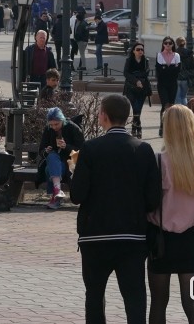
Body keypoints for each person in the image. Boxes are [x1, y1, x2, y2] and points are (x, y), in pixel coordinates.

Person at [70, 94, 161, 324]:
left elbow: (77, 196)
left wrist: (75, 173)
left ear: (103, 116)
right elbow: (153, 200)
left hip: (95, 236)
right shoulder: (143, 149)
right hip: (132, 236)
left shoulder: (90, 149)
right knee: (135, 297)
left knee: (94, 296)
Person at [147, 105, 194, 324]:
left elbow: (148, 203)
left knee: (158, 302)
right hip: (191, 239)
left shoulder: (159, 161)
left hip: (160, 240)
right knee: (192, 303)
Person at [36, 106, 85, 209]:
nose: (54, 127)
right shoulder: (48, 129)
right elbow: (41, 150)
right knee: (52, 156)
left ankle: (56, 196)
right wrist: (46, 150)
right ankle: (57, 190)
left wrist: (66, 146)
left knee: (49, 169)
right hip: (54, 162)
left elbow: (81, 150)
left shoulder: (73, 128)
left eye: (56, 124)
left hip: (69, 163)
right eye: (51, 124)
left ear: (62, 120)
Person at [122, 42, 152, 138]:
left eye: (142, 50)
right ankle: (138, 128)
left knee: (138, 108)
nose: (140, 51)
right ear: (134, 51)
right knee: (135, 107)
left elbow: (146, 72)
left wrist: (140, 81)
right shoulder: (129, 60)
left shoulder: (145, 60)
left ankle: (135, 128)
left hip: (143, 88)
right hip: (131, 88)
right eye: (138, 49)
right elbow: (126, 73)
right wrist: (136, 81)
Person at [155, 36, 181, 136]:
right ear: (163, 44)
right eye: (166, 43)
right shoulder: (159, 55)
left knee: (171, 106)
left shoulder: (177, 55)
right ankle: (162, 126)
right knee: (165, 105)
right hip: (162, 84)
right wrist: (171, 68)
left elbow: (177, 71)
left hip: (173, 84)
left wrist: (166, 68)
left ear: (173, 44)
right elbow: (160, 71)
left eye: (170, 43)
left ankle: (169, 127)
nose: (168, 45)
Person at [175, 37, 194, 107]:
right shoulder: (189, 53)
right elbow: (193, 65)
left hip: (177, 77)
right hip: (186, 78)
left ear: (177, 43)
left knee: (177, 97)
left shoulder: (174, 53)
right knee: (184, 96)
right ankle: (185, 112)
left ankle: (178, 112)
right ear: (185, 43)